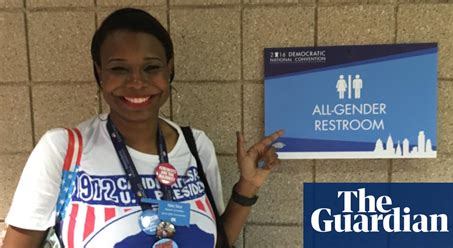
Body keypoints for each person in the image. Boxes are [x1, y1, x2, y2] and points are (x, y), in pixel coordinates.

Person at [2, 8, 283, 248]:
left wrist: (247, 186)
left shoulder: (196, 145)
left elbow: (217, 240)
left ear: (169, 70)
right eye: (119, 69)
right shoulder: (62, 149)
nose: (137, 82)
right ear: (99, 73)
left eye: (151, 68)